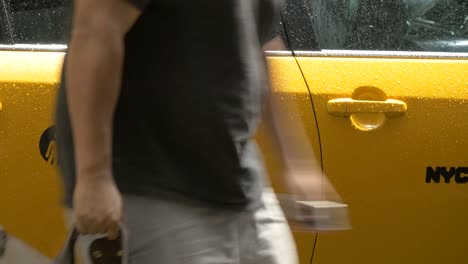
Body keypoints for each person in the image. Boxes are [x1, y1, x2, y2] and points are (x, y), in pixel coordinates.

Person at [55, 0, 339, 263]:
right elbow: (96, 29)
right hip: (147, 184)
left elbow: (259, 46)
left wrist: (298, 164)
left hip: (237, 182)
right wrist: (94, 176)